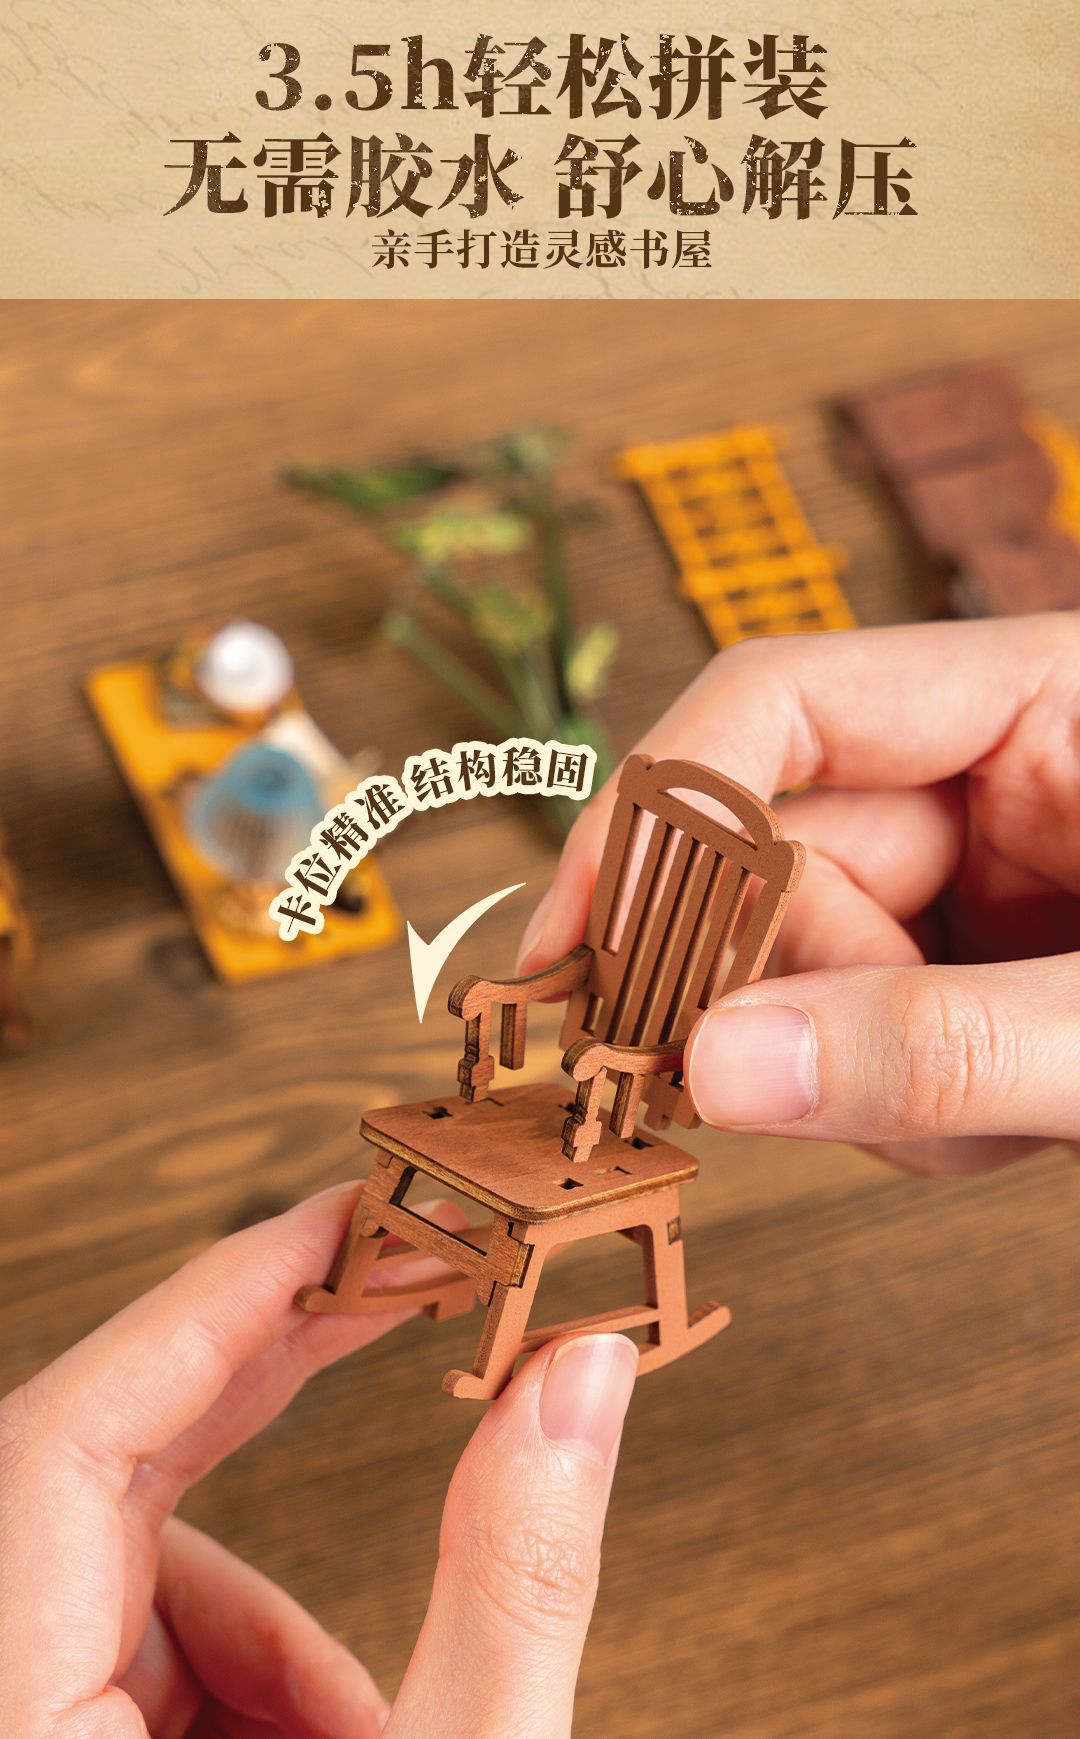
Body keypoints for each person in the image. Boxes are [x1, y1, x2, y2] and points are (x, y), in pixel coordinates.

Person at [4, 614, 1077, 1734]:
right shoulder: (603, 944)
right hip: (575, 1107)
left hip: (612, 1123)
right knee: (416, 1148)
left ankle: (546, 1310)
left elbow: (658, 1044)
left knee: (510, 1186)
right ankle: (401, 1275)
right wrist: (501, 1003)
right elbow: (565, 967)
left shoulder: (688, 996)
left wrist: (652, 1064)